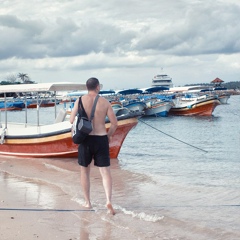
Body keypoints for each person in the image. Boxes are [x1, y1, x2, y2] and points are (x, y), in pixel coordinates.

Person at [70, 77, 118, 215]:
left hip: (85, 139)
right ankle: (108, 200)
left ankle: (87, 202)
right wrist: (109, 136)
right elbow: (115, 124)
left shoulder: (79, 100)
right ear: (97, 87)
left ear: (87, 87)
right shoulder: (105, 102)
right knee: (105, 172)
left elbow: (71, 120)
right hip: (101, 138)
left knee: (85, 171)